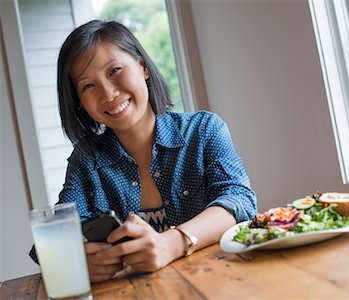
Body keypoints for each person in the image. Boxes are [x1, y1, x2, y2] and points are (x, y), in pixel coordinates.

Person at [30, 20, 257, 282]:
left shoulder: (204, 130)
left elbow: (239, 199)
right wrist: (76, 259)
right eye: (88, 86)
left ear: (143, 67)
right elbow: (51, 239)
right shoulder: (86, 162)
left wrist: (172, 243)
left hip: (221, 283)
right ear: (79, 102)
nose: (109, 93)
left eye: (114, 70)